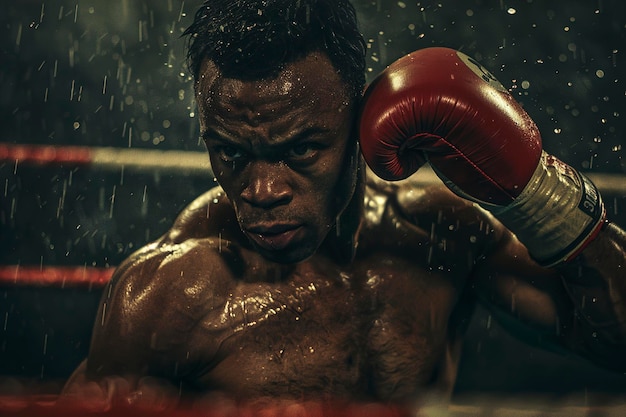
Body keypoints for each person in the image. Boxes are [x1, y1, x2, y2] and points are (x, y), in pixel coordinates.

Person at [61, 0, 626, 413]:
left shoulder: (438, 236)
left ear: (359, 118)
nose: (262, 191)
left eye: (301, 149)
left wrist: (543, 201)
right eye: (231, 153)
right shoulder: (166, 295)